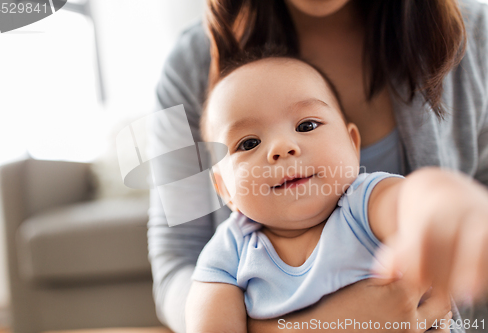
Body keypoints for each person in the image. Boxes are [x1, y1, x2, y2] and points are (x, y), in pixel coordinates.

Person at [148, 0, 488, 332]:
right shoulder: (231, 248)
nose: (282, 148)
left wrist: (445, 200)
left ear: (354, 145)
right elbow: (177, 264)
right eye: (249, 143)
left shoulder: (359, 204)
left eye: (307, 126)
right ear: (223, 189)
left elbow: (410, 200)